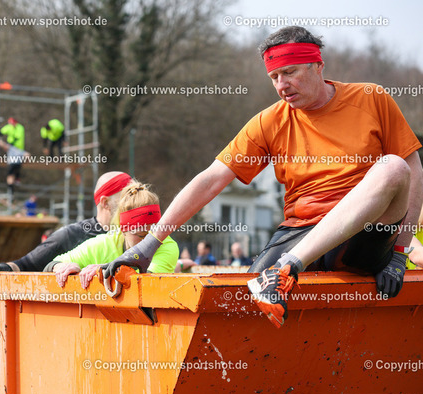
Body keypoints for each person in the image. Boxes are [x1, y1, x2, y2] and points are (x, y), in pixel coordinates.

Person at [103, 26, 423, 328]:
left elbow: (415, 171)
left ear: (317, 65)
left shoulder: (371, 98)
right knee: (243, 304)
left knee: (394, 167)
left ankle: (287, 267)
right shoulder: (269, 121)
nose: (282, 85)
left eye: (290, 72)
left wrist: (399, 254)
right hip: (301, 230)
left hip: (362, 234)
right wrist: (148, 245)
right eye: (274, 77)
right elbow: (211, 179)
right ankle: (285, 268)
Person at [0, 171, 133, 283]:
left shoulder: (140, 232)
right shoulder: (73, 234)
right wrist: (4, 268)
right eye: (127, 197)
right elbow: (28, 265)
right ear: (105, 203)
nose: (134, 203)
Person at [45, 181, 178, 289]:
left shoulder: (166, 245)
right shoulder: (105, 243)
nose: (149, 240)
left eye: (154, 232)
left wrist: (106, 269)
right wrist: (61, 267)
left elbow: (143, 285)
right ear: (123, 230)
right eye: (141, 235)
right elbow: (51, 265)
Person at [0, 118, 26, 192]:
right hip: (11, 149)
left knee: (17, 166)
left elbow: (18, 137)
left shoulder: (20, 128)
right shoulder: (9, 127)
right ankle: (11, 187)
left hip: (18, 148)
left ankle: (16, 179)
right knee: (11, 169)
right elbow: (1, 132)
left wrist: (10, 144)